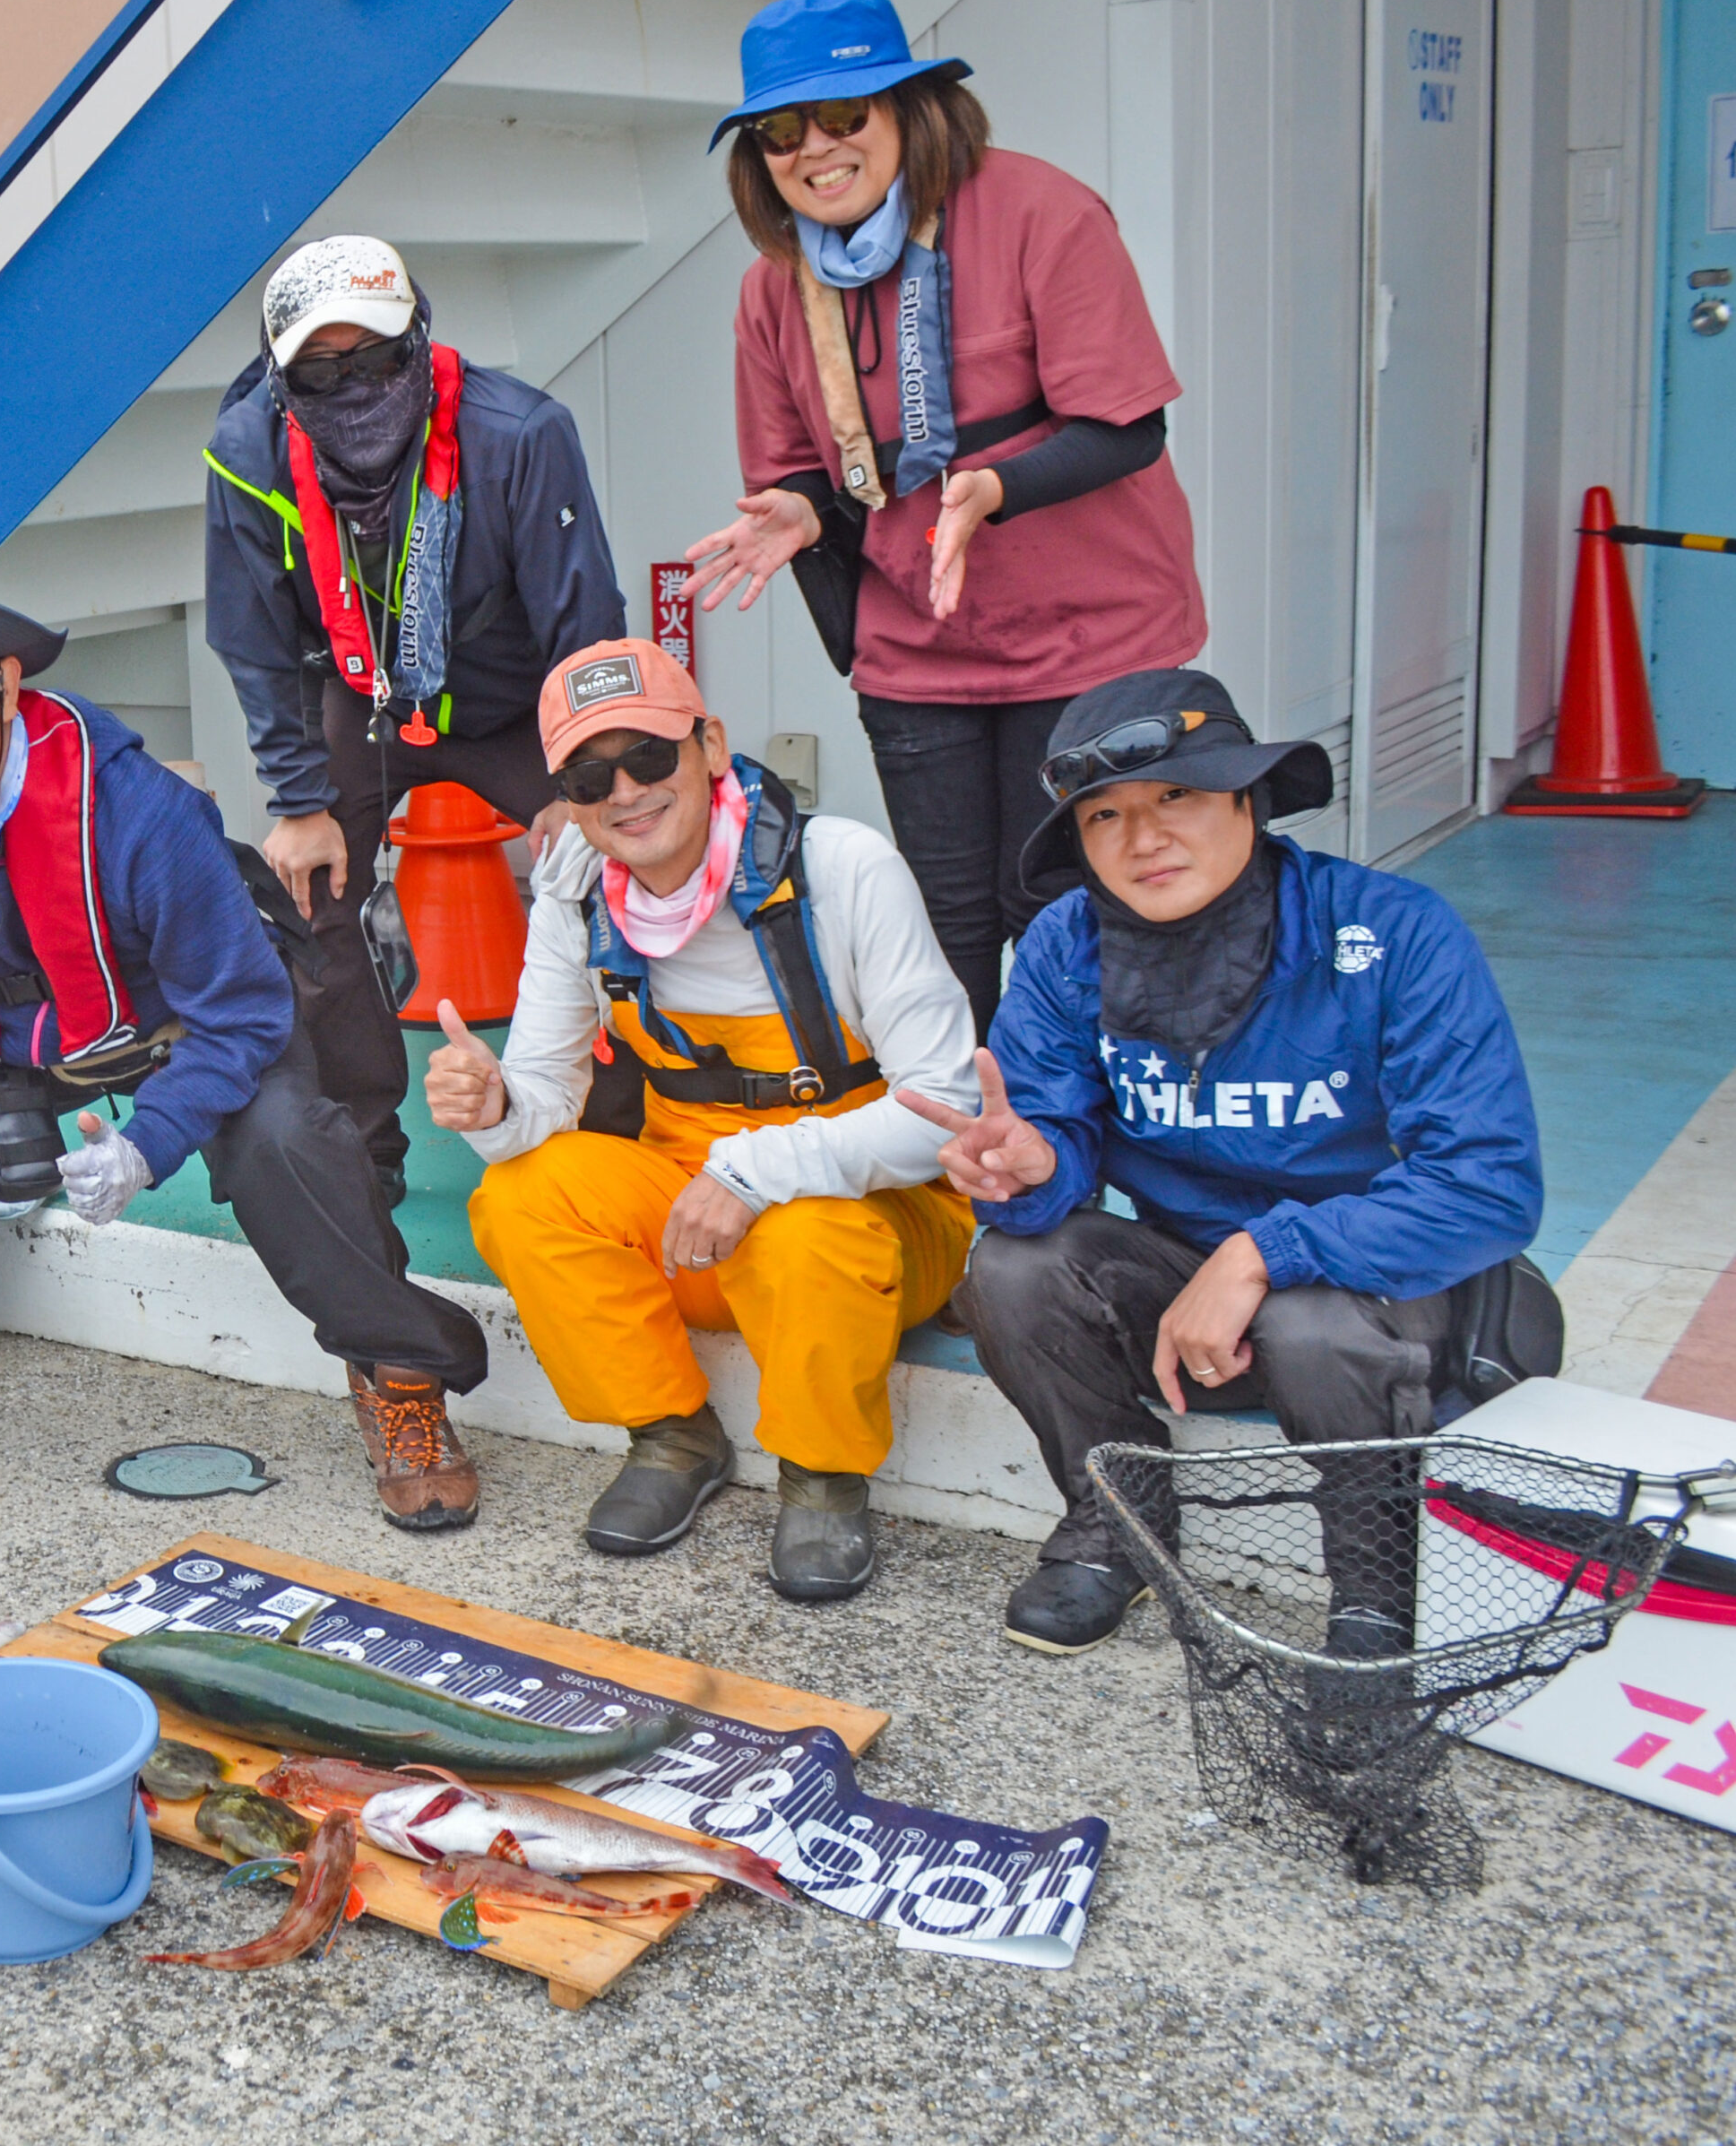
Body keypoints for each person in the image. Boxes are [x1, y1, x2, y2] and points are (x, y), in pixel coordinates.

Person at [0, 562, 488, 1529]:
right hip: (7, 1042)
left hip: (183, 1022)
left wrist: (149, 1139)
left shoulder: (136, 807)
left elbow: (240, 1013)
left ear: (7, 686)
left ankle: (401, 1374)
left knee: (286, 1136)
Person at [899, 670, 1546, 1656]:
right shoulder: (1063, 944)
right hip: (1185, 1292)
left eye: (1178, 795)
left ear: (1248, 796)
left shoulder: (1395, 931)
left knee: (1313, 1322)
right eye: (1104, 813)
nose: (1143, 838)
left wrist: (1261, 1253)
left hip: (1368, 1291)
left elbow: (1486, 1182)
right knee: (1010, 1266)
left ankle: (1375, 1589)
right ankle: (1119, 1519)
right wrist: (1034, 1165)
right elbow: (1054, 1141)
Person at [690, 0, 1205, 1036]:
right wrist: (797, 510)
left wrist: (996, 487)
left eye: (845, 117)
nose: (816, 150)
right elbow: (797, 463)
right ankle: (963, 1167)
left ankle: (1085, 1157)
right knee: (947, 922)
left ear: (910, 110)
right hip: (918, 650)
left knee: (1069, 911)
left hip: (1090, 639)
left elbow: (1127, 428)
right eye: (782, 132)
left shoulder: (1041, 213)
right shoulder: (772, 286)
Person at [425, 637, 979, 1601]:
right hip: (692, 1215)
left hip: (880, 1218)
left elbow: (943, 1109)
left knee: (806, 1233)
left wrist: (756, 1170)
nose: (627, 790)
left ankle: (823, 1476)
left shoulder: (844, 868)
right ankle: (673, 1434)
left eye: (649, 754)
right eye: (591, 774)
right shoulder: (576, 895)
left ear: (710, 744)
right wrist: (494, 1103)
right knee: (520, 1193)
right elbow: (543, 1101)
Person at [204, 235, 630, 1205]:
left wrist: (583, 784)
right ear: (280, 377)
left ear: (421, 337)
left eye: (378, 357)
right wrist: (297, 798)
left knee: (623, 859)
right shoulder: (246, 453)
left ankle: (609, 1107)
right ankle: (362, 1139)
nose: (352, 385)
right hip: (363, 700)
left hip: (518, 707)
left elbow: (586, 629)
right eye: (320, 367)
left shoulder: (521, 432)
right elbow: (253, 642)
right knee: (308, 888)